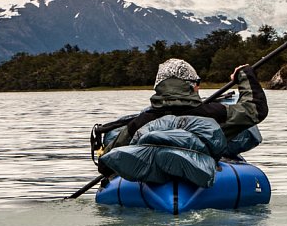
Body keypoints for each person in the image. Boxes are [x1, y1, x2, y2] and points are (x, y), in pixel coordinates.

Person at [101, 58, 268, 155]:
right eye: (197, 83)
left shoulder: (140, 122)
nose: (199, 87)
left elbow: (106, 163)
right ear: (189, 86)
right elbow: (255, 109)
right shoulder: (214, 114)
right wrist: (244, 75)